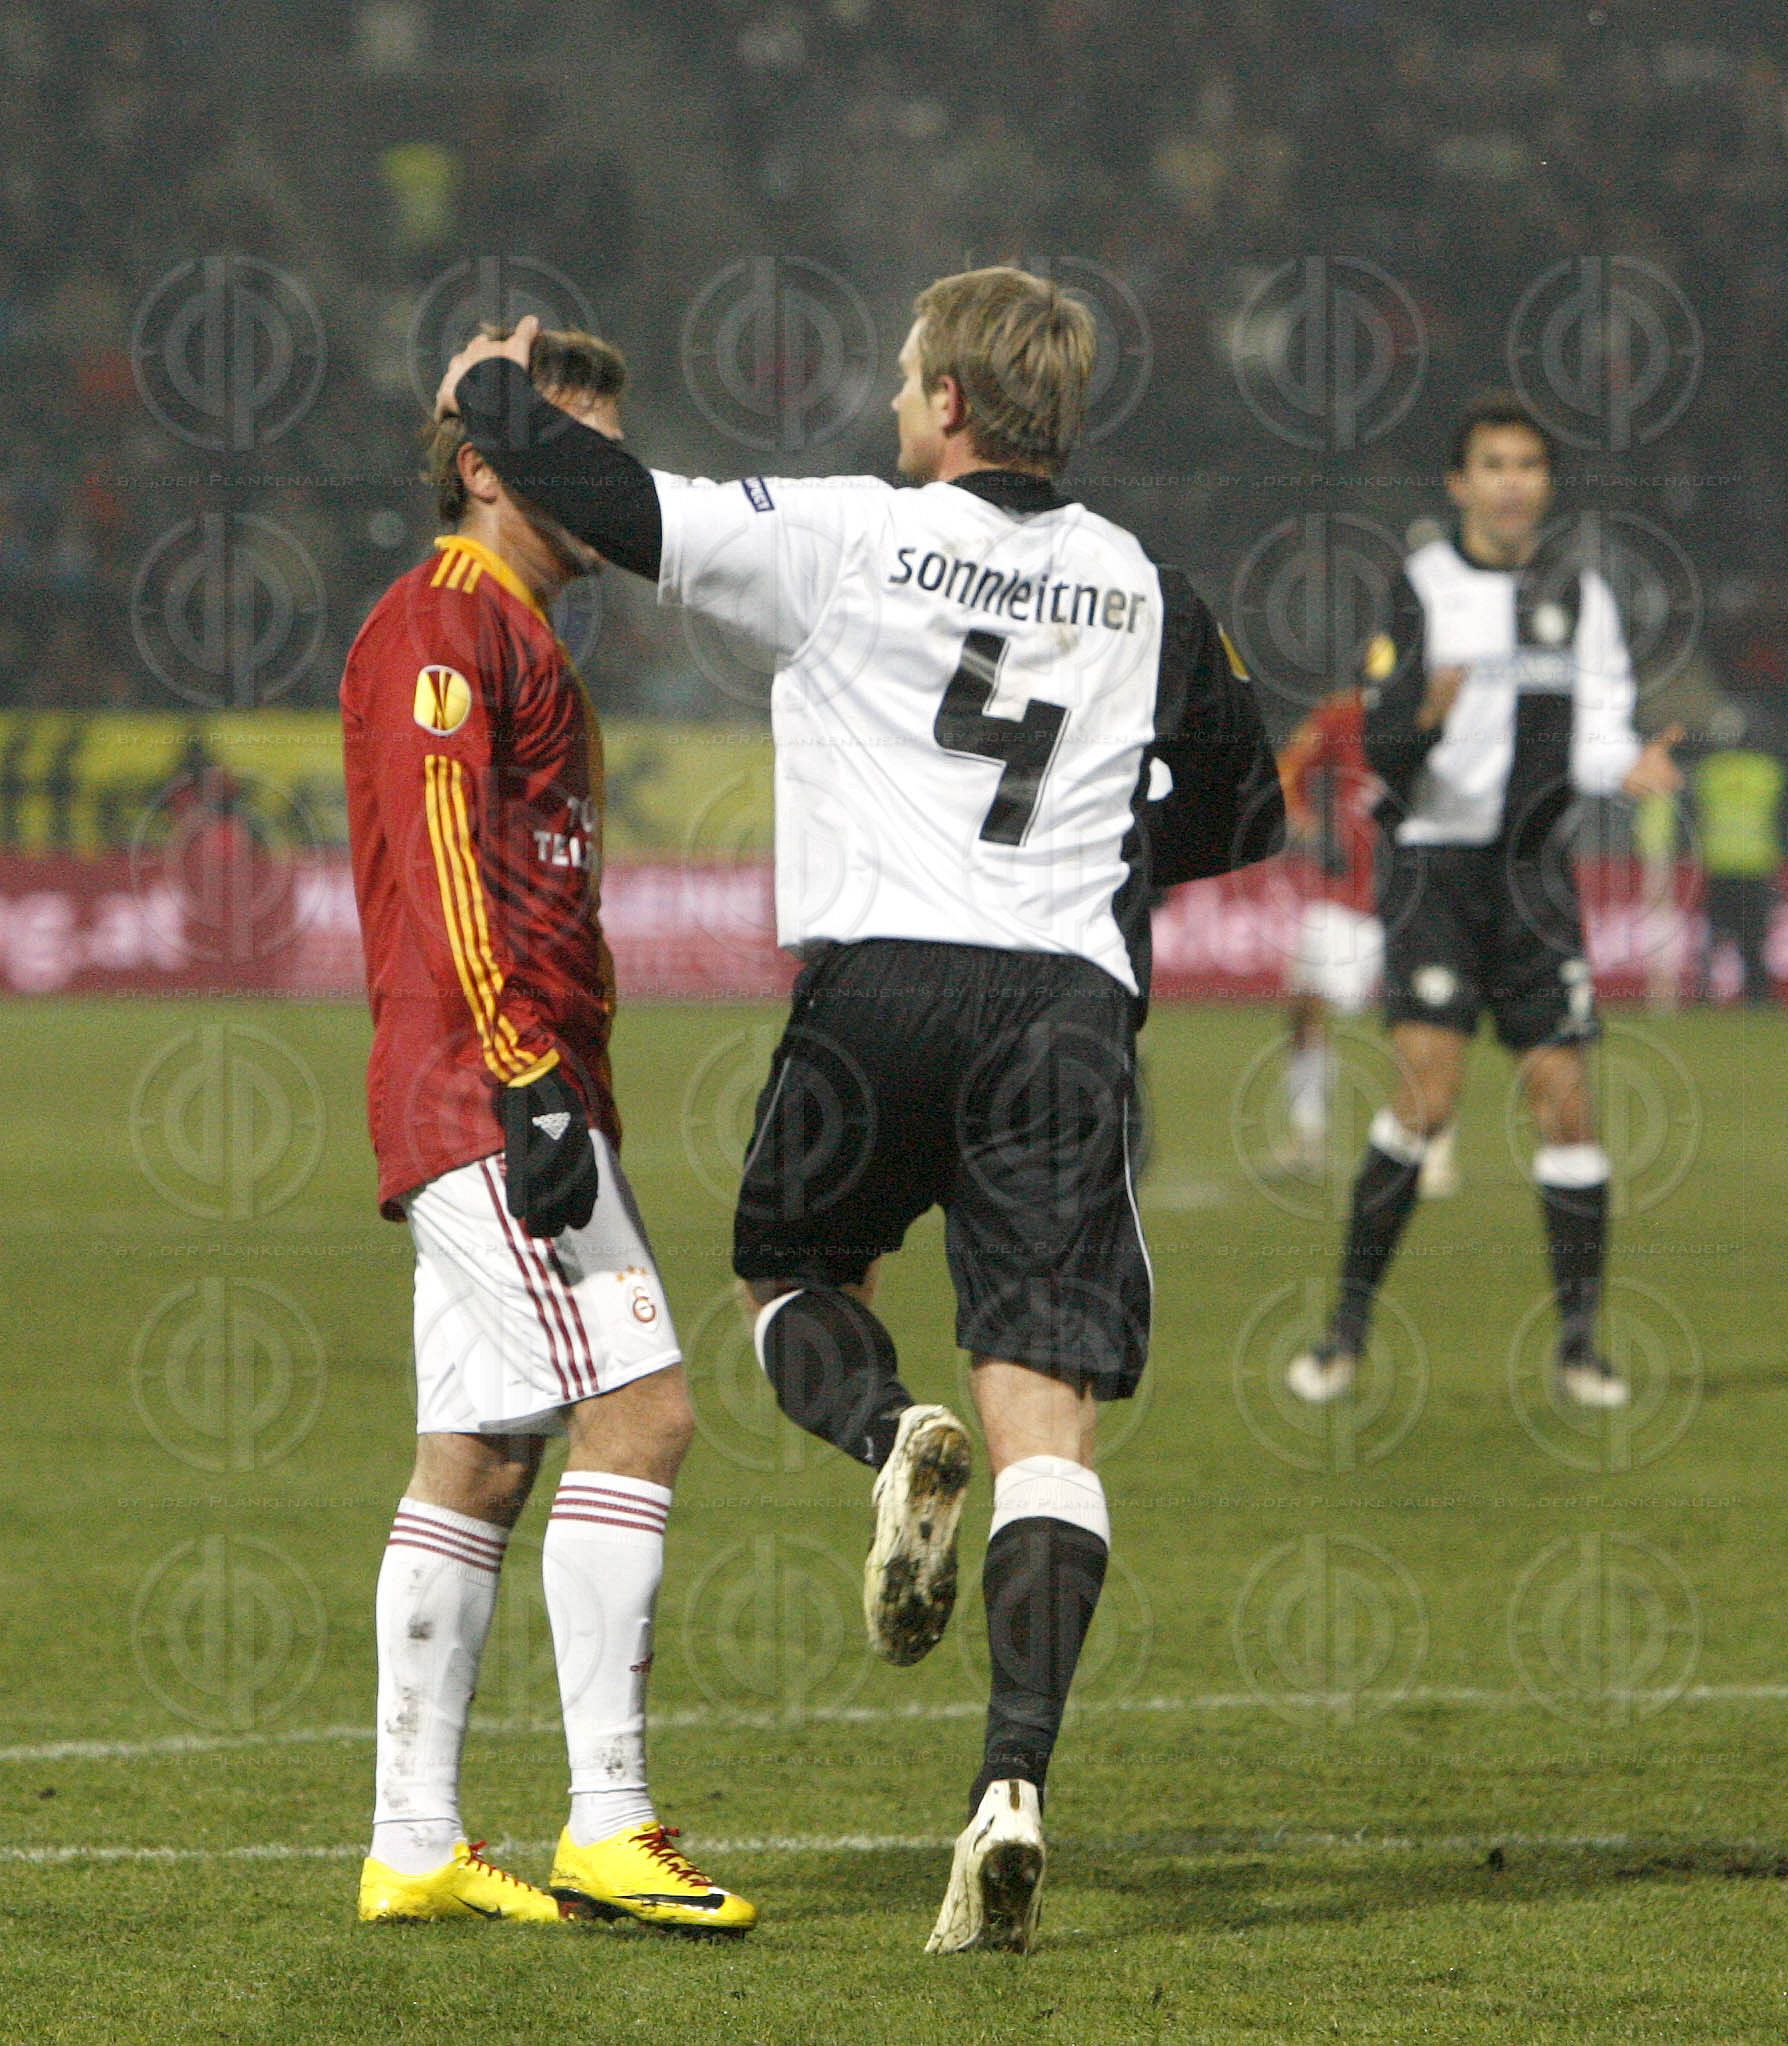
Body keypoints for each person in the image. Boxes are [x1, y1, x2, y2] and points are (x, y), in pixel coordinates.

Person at [438, 268, 1284, 1953]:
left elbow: (611, 503)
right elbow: (1243, 805)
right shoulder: (1149, 587)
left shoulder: (853, 533)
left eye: (909, 380)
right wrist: (1111, 852)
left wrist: (488, 393)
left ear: (952, 405)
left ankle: (882, 1432)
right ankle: (1011, 1790)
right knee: (1047, 1417)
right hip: (1060, 1011)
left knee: (786, 1270)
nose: (897, 403)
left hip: (876, 993)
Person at [341, 327, 754, 1934]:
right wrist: (526, 1083)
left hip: (484, 1085)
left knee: (481, 1453)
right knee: (642, 1416)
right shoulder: (452, 621)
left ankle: (415, 1841)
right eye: (576, 447)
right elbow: (451, 866)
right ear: (483, 465)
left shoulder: (514, 631)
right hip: (488, 1090)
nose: (612, 483)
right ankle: (609, 1818)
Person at [1287, 392, 1682, 1413]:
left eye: (1528, 466)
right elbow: (1378, 747)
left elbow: (1598, 727)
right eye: (1493, 464)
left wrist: (1624, 764)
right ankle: (1344, 1331)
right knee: (1430, 1096)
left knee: (1567, 1100)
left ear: (1545, 484)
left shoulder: (1578, 597)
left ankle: (1583, 1346)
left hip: (1534, 877)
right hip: (1433, 867)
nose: (1512, 482)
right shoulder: (1419, 587)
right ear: (1461, 484)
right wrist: (1426, 716)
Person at [1272, 686, 1459, 1197]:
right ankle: (1307, 1131)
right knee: (1304, 1003)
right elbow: (1290, 768)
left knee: (1427, 1026)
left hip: (1421, 896)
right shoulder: (1344, 714)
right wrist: (1305, 820)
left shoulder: (1444, 711)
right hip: (1347, 897)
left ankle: (1434, 1145)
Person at [1693, 703, 1784, 1004]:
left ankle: (1704, 992)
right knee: (1754, 936)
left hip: (1719, 863)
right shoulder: (1767, 772)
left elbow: (1698, 813)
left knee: (1715, 933)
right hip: (1756, 864)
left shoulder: (1709, 772)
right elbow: (1784, 815)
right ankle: (1758, 995)